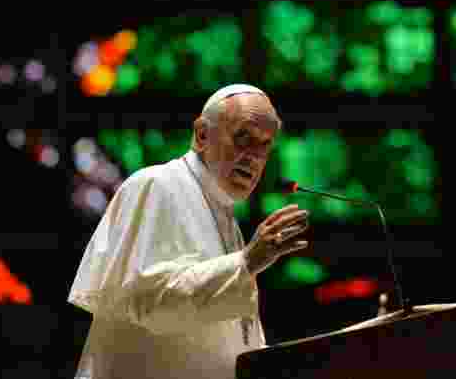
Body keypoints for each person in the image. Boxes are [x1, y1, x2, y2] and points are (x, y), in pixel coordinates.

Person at [68, 84, 309, 379]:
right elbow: (149, 301)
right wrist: (245, 263)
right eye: (243, 137)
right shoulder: (156, 185)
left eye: (265, 145)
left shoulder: (225, 217)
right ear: (202, 135)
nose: (254, 156)